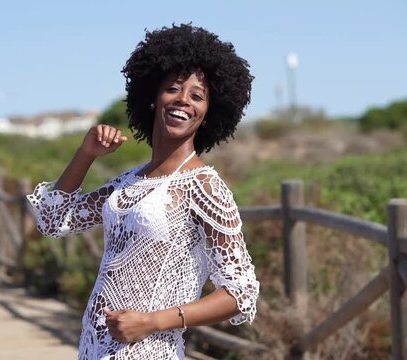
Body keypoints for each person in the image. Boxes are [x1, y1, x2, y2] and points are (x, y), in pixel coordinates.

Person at [27, 23, 260, 360]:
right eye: (173, 89)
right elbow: (52, 220)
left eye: (197, 95)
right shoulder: (129, 182)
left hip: (150, 351)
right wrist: (86, 154)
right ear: (153, 97)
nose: (183, 100)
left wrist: (153, 321)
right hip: (95, 348)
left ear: (209, 114)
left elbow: (242, 293)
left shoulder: (204, 186)